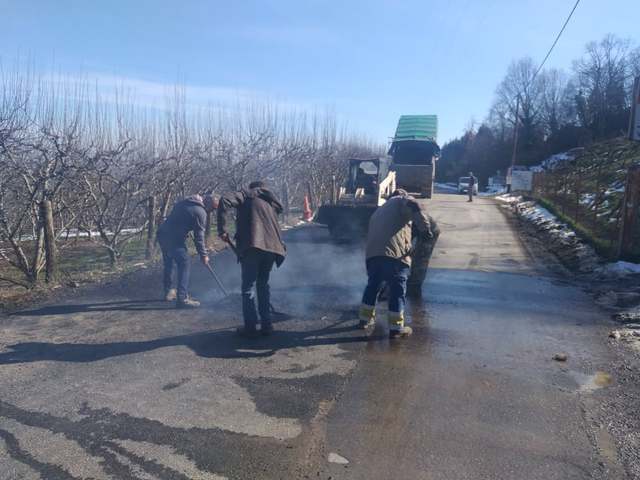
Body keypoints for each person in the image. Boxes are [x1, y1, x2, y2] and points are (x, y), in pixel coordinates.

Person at [359, 189, 433, 338]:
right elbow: (413, 205)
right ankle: (396, 328)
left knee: (373, 287)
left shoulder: (379, 211)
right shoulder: (402, 200)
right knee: (397, 291)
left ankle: (364, 320)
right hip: (394, 256)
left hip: (373, 256)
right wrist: (425, 230)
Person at [217, 181, 286, 338]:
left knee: (248, 287)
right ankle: (267, 325)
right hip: (272, 248)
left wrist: (222, 229)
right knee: (263, 284)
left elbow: (224, 200)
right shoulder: (271, 201)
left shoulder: (247, 194)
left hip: (253, 246)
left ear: (253, 187)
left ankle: (250, 327)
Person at [157, 194, 216, 308]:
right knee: (184, 263)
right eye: (213, 208)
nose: (212, 211)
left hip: (162, 234)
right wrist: (204, 255)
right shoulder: (200, 212)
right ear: (208, 204)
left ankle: (168, 291)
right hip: (173, 239)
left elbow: (178, 218)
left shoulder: (185, 203)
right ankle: (182, 299)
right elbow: (199, 237)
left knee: (169, 262)